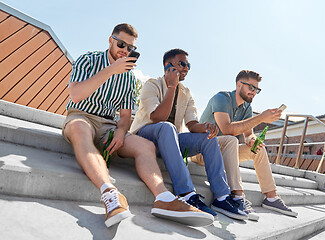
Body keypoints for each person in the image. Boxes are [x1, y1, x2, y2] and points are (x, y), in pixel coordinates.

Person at [62, 24, 214, 228]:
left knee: (146, 146)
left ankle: (164, 199)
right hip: (80, 116)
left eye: (130, 47)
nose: (125, 50)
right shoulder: (88, 60)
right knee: (80, 129)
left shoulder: (129, 77)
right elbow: (76, 95)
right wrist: (110, 71)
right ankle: (110, 193)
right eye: (121, 44)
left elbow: (125, 116)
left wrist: (121, 132)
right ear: (110, 40)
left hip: (109, 124)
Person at [130, 49, 248, 221]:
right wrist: (171, 86)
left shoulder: (186, 93)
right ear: (167, 66)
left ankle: (222, 197)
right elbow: (156, 118)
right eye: (182, 64)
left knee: (207, 138)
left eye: (188, 65)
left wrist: (207, 127)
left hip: (170, 139)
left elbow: (192, 125)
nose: (186, 68)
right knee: (167, 127)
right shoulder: (152, 84)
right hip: (145, 136)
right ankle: (186, 193)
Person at [197, 70, 298, 219]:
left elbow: (248, 134)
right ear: (239, 85)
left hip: (224, 151)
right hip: (202, 150)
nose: (254, 93)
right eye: (251, 88)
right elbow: (227, 129)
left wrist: (252, 140)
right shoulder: (221, 98)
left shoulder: (246, 108)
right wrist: (261, 118)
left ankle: (271, 197)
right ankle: (237, 196)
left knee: (257, 149)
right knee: (232, 139)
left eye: (257, 90)